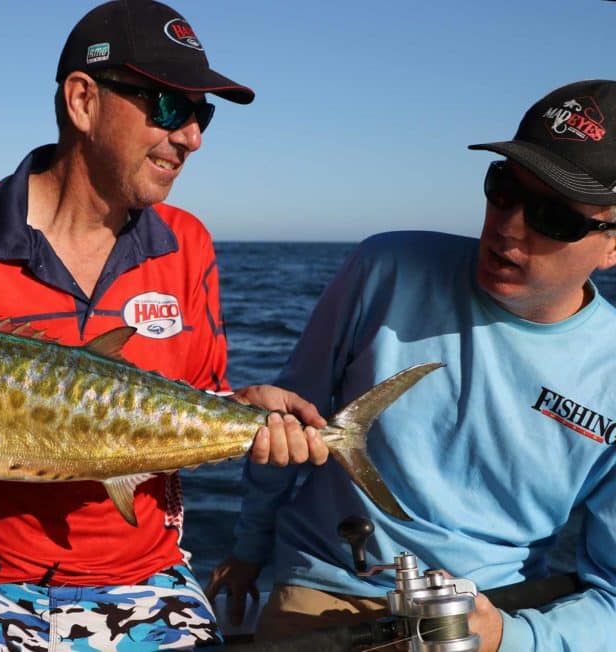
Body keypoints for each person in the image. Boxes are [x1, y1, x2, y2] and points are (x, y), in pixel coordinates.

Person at [0, 1, 328, 649]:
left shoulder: (188, 244)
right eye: (169, 107)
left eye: (201, 114)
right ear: (82, 100)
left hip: (150, 577)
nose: (192, 136)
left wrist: (247, 410)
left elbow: (196, 402)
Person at [206, 79, 616, 651]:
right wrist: (248, 550)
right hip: (323, 588)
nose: (510, 225)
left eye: (554, 216)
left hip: (486, 612)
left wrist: (510, 637)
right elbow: (285, 428)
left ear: (613, 242)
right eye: (502, 189)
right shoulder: (385, 266)